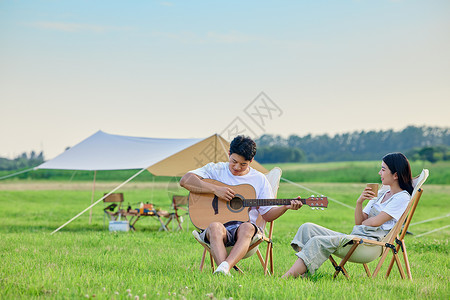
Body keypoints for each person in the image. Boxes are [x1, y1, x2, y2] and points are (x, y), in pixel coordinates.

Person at [180, 135, 303, 276]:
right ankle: (224, 271)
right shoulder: (216, 169)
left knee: (248, 227)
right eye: (234, 161)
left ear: (251, 161)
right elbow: (185, 180)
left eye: (243, 164)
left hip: (244, 234)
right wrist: (215, 189)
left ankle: (224, 269)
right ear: (229, 154)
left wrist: (285, 207)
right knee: (215, 226)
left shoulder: (259, 180)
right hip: (218, 230)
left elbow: (267, 215)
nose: (237, 167)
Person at [282, 152, 413, 278]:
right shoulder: (381, 194)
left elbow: (375, 222)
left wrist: (366, 222)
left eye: (383, 169)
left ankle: (286, 278)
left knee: (317, 240)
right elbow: (359, 222)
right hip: (356, 238)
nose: (380, 173)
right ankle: (303, 274)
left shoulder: (402, 198)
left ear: (395, 175)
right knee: (307, 227)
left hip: (368, 246)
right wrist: (359, 202)